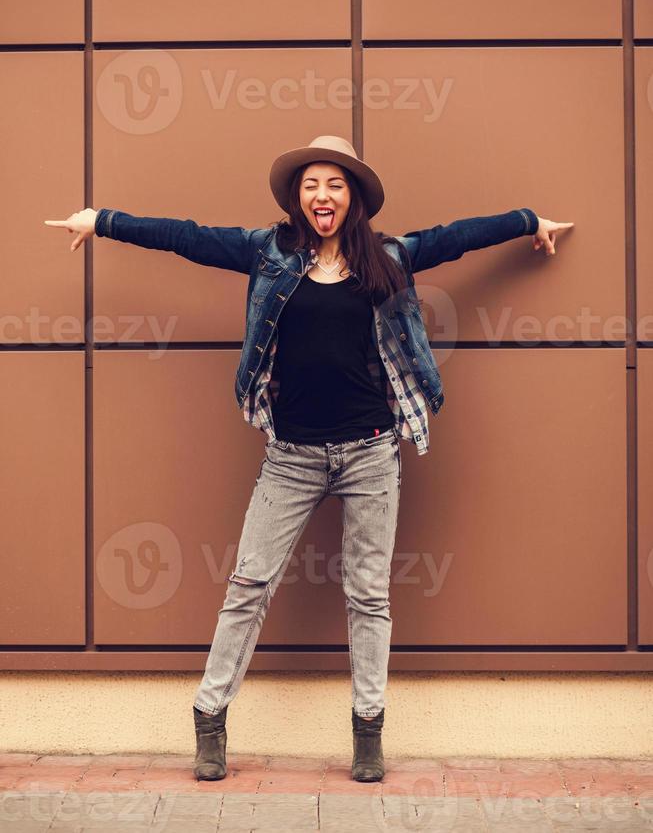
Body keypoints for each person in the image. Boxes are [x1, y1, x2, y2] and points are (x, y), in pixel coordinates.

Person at [45, 135, 573, 783]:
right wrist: (101, 221)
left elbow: (458, 236)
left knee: (367, 596)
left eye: (335, 185)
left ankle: (368, 730)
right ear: (298, 197)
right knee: (247, 587)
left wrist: (530, 223)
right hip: (290, 456)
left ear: (352, 198)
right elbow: (184, 236)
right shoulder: (266, 253)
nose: (322, 195)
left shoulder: (389, 258)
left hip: (370, 453)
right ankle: (210, 718)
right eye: (311, 185)